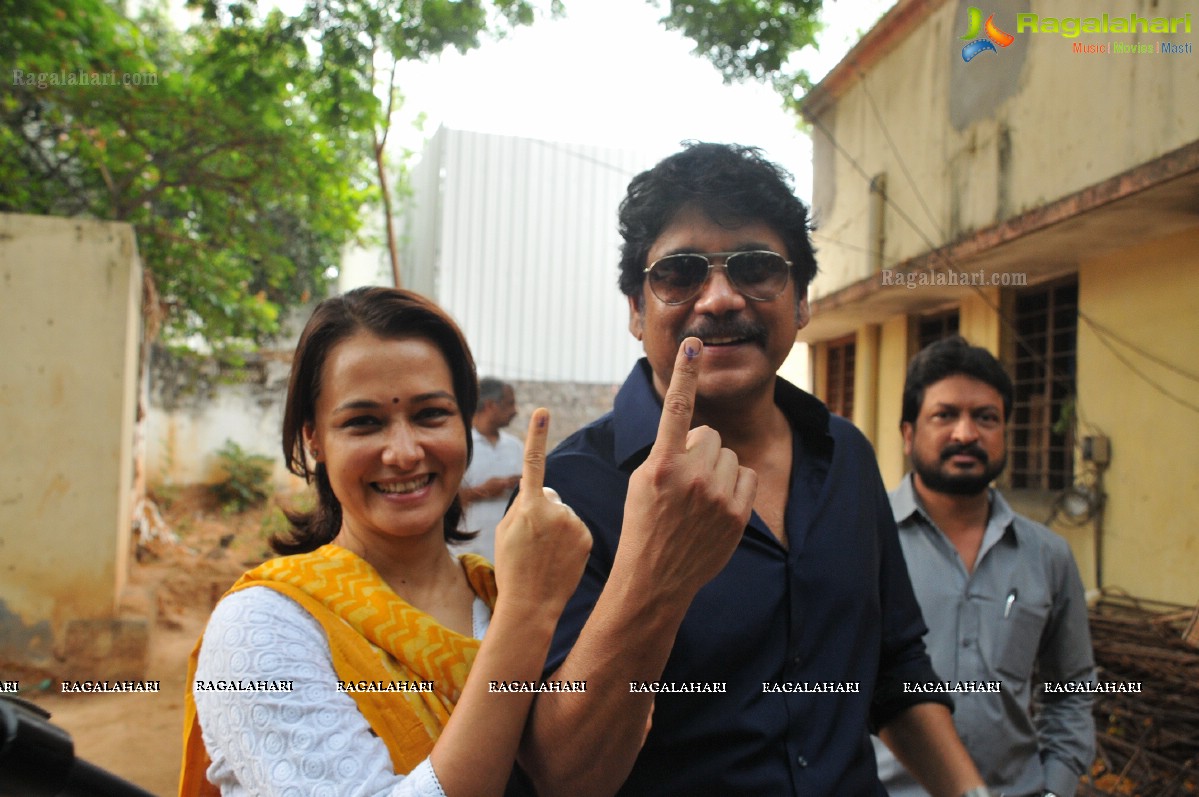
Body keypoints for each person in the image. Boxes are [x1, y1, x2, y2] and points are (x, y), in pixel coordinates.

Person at [517, 142, 991, 796]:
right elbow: (560, 773)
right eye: (680, 273)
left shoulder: (844, 454)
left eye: (755, 266)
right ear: (635, 309)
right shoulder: (571, 490)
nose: (718, 298)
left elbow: (894, 668)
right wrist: (651, 575)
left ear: (799, 302)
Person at [179, 287, 591, 797]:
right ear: (313, 438)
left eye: (430, 415)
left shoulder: (498, 597)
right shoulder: (265, 625)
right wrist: (528, 612)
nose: (402, 452)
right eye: (363, 423)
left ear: (464, 421)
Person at [872, 336, 1096, 797]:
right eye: (945, 414)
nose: (966, 434)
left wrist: (1055, 786)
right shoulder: (862, 543)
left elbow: (1069, 688)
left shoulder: (1047, 556)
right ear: (909, 432)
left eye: (986, 418)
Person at [458, 378, 523, 562]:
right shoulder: (461, 445)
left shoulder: (515, 446)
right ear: (490, 405)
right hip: (469, 550)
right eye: (509, 404)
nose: (515, 411)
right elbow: (443, 499)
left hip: (507, 552)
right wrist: (483, 491)